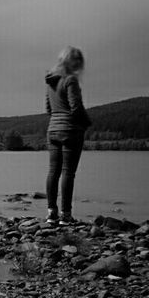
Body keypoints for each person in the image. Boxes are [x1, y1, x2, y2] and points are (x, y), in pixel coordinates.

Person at [43, 46, 91, 224]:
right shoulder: (70, 80)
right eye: (78, 61)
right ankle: (66, 215)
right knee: (68, 173)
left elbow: (48, 109)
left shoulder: (51, 81)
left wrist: (57, 120)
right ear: (74, 62)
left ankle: (51, 213)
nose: (80, 65)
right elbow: (76, 107)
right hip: (71, 130)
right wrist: (86, 124)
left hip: (53, 130)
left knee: (53, 171)